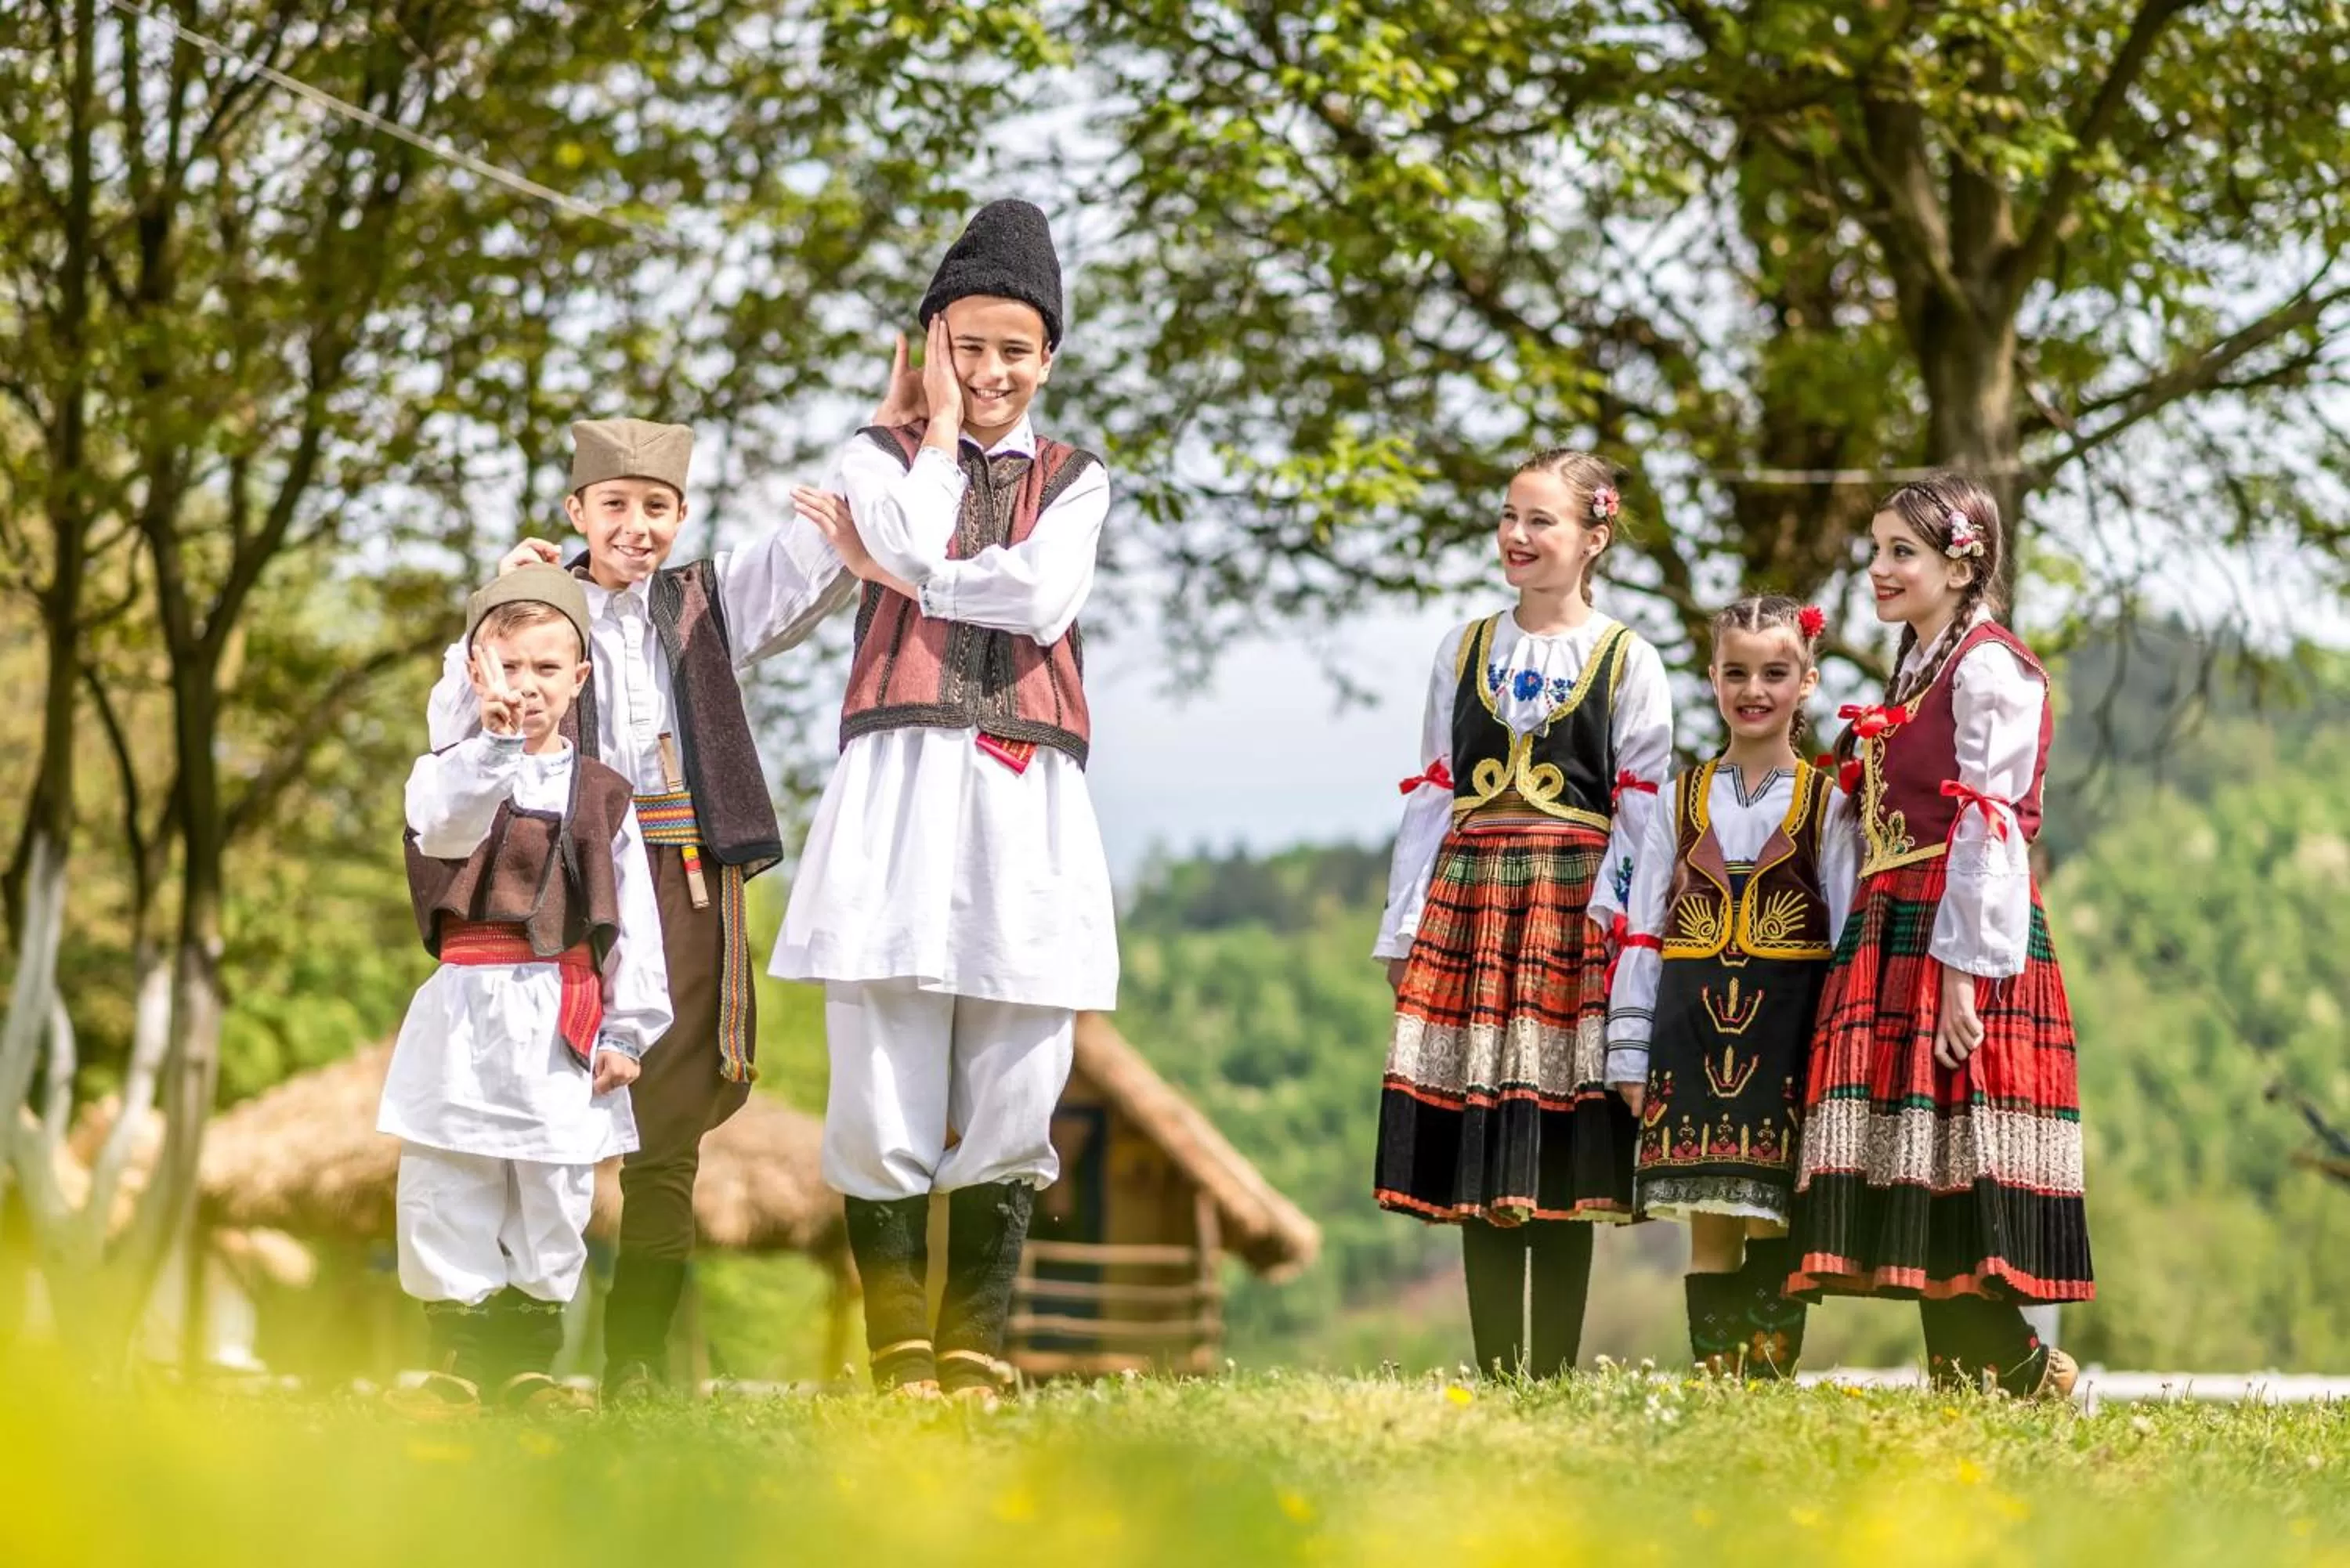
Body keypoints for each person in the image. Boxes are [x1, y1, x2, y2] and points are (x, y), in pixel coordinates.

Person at [425, 418, 851, 1400]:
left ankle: (640, 1364)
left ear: (680, 515)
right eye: (615, 505)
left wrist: (891, 436)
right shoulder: (536, 611)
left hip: (683, 874)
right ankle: (507, 1362)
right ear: (576, 511)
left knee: (667, 1133)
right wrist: (493, 602)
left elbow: (811, 553)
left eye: (656, 507)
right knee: (527, 1113)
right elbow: (452, 731)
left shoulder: (702, 600)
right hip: (562, 881)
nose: (636, 526)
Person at [773, 200, 1118, 1402]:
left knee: (1022, 1052)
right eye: (966, 344)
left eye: (1015, 348)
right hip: (898, 779)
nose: (991, 371)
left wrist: (899, 574)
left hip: (1027, 793)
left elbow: (1041, 597)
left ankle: (975, 1341)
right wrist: (915, 454)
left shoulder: (1080, 479)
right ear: (932, 344)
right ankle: (900, 1353)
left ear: (1049, 358)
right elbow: (913, 526)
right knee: (880, 1062)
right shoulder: (876, 456)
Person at [1787, 471, 2090, 1399]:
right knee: (1922, 1162)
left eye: (1900, 552)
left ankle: (2016, 1367)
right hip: (1893, 924)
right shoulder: (1915, 664)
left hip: (1959, 930)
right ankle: (1988, 1377)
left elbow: (1987, 825)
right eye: (1876, 550)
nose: (1877, 569)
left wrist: (1961, 972)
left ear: (1962, 565)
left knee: (1956, 1150)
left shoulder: (1990, 668)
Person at [1372, 449, 1673, 1380]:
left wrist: (1623, 931)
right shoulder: (1464, 649)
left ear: (1594, 534)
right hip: (1470, 900)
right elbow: (1430, 791)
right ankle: (1497, 1368)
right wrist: (1404, 922)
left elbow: (1644, 814)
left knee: (1554, 1129)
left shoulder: (1629, 657)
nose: (1516, 535)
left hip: (1573, 907)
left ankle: (1552, 1371)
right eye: (1509, 516)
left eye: (1541, 520)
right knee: (1479, 1123)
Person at [385, 565, 670, 1417]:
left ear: (579, 679)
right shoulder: (445, 773)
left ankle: (528, 1362)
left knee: (551, 1185)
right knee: (450, 1173)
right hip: (466, 1005)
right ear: (477, 672)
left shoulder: (603, 792)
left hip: (559, 1011)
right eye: (510, 668)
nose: (528, 686)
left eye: (549, 669)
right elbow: (448, 828)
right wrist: (495, 745)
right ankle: (457, 1362)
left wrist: (627, 1030)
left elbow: (635, 922)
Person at [1606, 595, 1854, 1377]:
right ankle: (1719, 1390)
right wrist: (1628, 1046)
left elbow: (1845, 934)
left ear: (1806, 680)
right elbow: (1644, 927)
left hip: (1789, 1036)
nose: (1755, 689)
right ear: (1712, 679)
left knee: (1779, 1215)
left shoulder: (1830, 802)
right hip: (1691, 1031)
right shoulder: (1678, 801)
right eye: (1737, 672)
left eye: (1775, 672)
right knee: (1711, 1215)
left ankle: (1766, 1385)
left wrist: (1844, 1056)